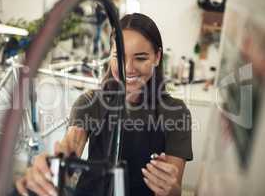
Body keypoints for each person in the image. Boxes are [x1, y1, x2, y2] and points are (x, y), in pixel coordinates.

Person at [16, 13, 193, 196]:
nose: (128, 68)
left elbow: (174, 187)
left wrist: (171, 190)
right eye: (119, 57)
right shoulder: (90, 102)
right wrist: (50, 168)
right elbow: (71, 144)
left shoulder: (176, 113)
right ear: (110, 56)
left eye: (140, 58)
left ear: (157, 57)